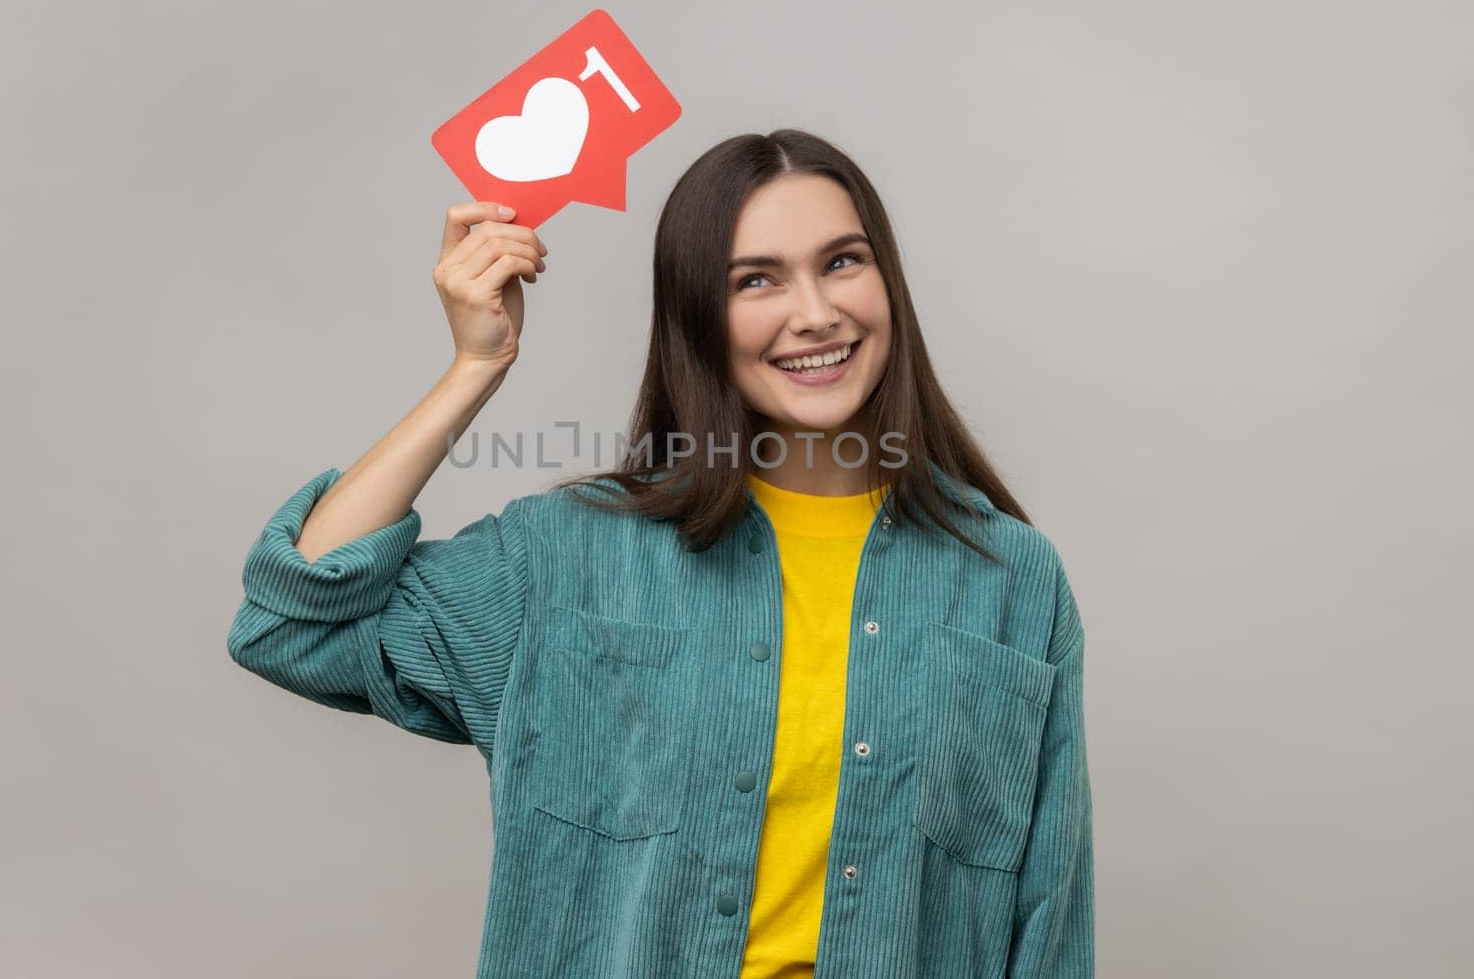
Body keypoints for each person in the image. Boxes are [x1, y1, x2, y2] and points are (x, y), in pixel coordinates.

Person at [228, 129, 1095, 978]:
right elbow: (290, 622)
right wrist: (475, 366)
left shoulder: (1009, 580)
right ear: (697, 317)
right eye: (757, 279)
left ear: (887, 282)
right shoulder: (568, 557)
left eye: (842, 262)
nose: (817, 313)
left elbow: (1049, 921)